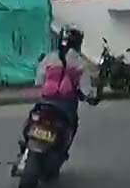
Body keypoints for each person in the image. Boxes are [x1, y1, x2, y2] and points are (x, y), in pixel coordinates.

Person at [30, 24, 99, 155]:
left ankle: (25, 148)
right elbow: (86, 89)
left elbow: (39, 79)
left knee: (33, 118)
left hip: (46, 100)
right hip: (65, 105)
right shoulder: (79, 63)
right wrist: (90, 96)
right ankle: (62, 151)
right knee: (71, 126)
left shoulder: (50, 58)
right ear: (79, 43)